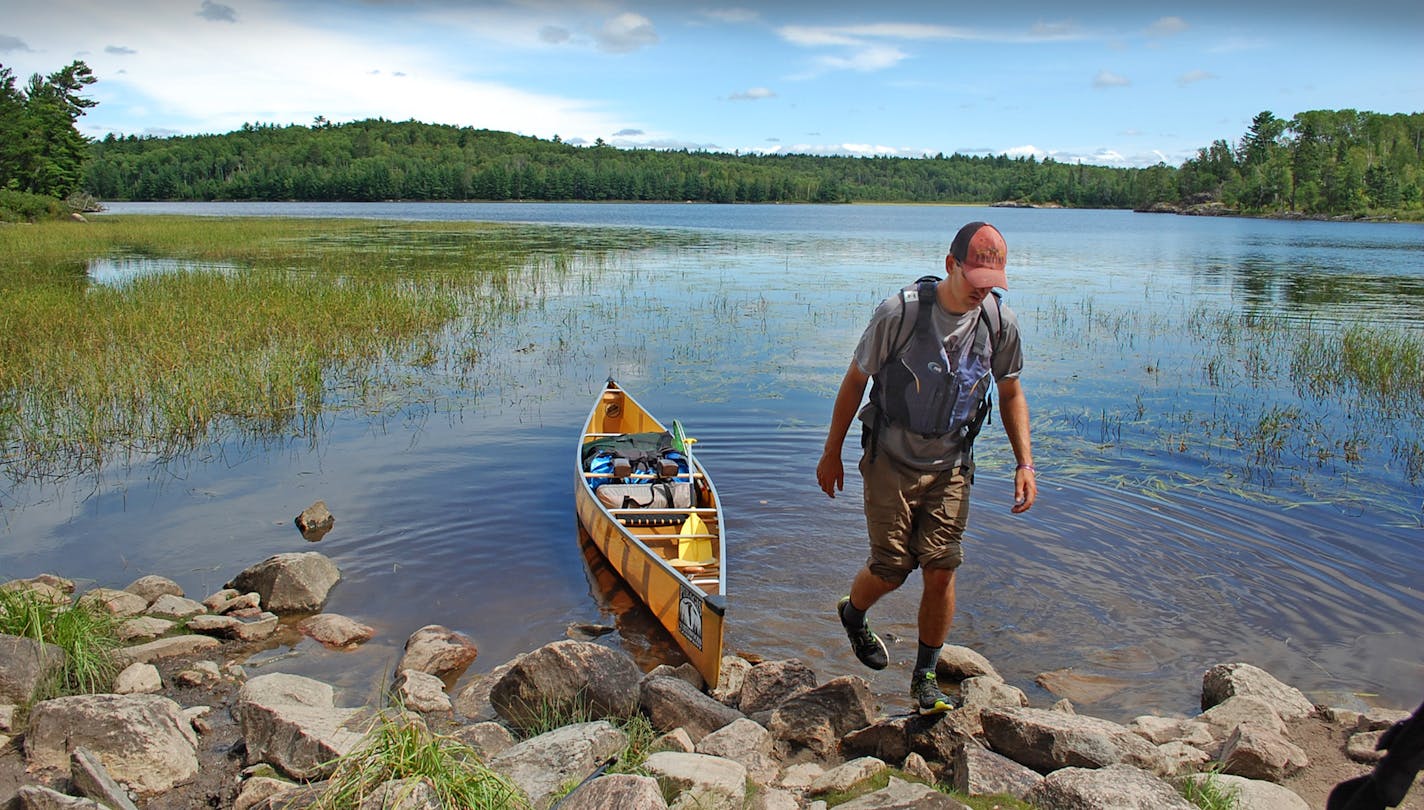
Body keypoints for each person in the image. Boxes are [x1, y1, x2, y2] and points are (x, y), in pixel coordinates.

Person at [815, 220, 1037, 714]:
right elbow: (854, 383)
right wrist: (831, 452)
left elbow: (1011, 392)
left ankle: (924, 678)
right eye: (975, 280)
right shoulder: (901, 313)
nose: (983, 293)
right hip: (890, 456)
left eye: (992, 284)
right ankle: (854, 614)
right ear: (950, 266)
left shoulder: (999, 324)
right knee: (893, 569)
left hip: (952, 460)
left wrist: (1026, 462)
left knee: (941, 568)